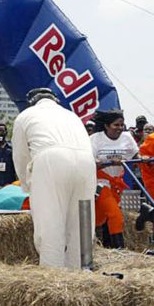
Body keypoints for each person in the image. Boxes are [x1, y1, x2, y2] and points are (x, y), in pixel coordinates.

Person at [12, 88, 96, 269]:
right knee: (82, 223)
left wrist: (27, 185)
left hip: (50, 160)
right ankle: (82, 273)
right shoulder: (72, 116)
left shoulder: (26, 115)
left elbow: (20, 156)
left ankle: (54, 278)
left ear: (32, 102)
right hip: (86, 162)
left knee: (50, 222)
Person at [90, 109, 138, 248]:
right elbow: (89, 160)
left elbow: (136, 155)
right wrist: (99, 162)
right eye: (116, 125)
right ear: (106, 125)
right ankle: (119, 249)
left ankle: (105, 244)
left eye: (121, 125)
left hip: (117, 182)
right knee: (115, 214)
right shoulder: (96, 139)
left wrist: (145, 158)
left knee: (101, 217)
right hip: (101, 181)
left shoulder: (127, 137)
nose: (120, 128)